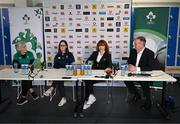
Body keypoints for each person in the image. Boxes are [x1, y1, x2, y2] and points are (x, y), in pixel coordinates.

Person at [124, 36, 156, 110]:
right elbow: (129, 61)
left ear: (142, 44)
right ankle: (137, 94)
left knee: (144, 82)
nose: (134, 45)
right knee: (126, 80)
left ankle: (148, 102)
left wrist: (137, 69)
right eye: (134, 43)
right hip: (133, 73)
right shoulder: (133, 51)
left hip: (143, 73)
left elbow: (151, 67)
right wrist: (130, 65)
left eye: (136, 44)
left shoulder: (149, 53)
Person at [44, 40, 75, 106]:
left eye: (63, 45)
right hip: (59, 74)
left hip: (68, 73)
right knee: (59, 79)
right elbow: (55, 66)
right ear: (59, 47)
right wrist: (60, 66)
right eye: (61, 45)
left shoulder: (70, 54)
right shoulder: (57, 55)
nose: (62, 47)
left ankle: (52, 88)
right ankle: (63, 98)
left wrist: (62, 66)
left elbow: (70, 65)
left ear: (66, 46)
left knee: (59, 79)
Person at [83, 40, 112, 110]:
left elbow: (110, 66)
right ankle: (90, 98)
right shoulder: (95, 53)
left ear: (105, 47)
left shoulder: (108, 55)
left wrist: (107, 68)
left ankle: (89, 98)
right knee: (87, 80)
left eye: (102, 45)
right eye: (99, 45)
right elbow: (88, 62)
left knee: (88, 81)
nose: (101, 47)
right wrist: (89, 63)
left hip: (102, 75)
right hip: (93, 74)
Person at [13, 41, 39, 105]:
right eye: (23, 47)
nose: (25, 48)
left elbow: (33, 63)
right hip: (20, 72)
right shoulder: (16, 55)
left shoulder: (30, 53)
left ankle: (24, 97)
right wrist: (25, 66)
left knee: (26, 78)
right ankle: (31, 90)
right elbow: (15, 65)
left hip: (30, 71)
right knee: (25, 78)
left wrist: (31, 65)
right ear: (19, 48)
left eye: (25, 46)